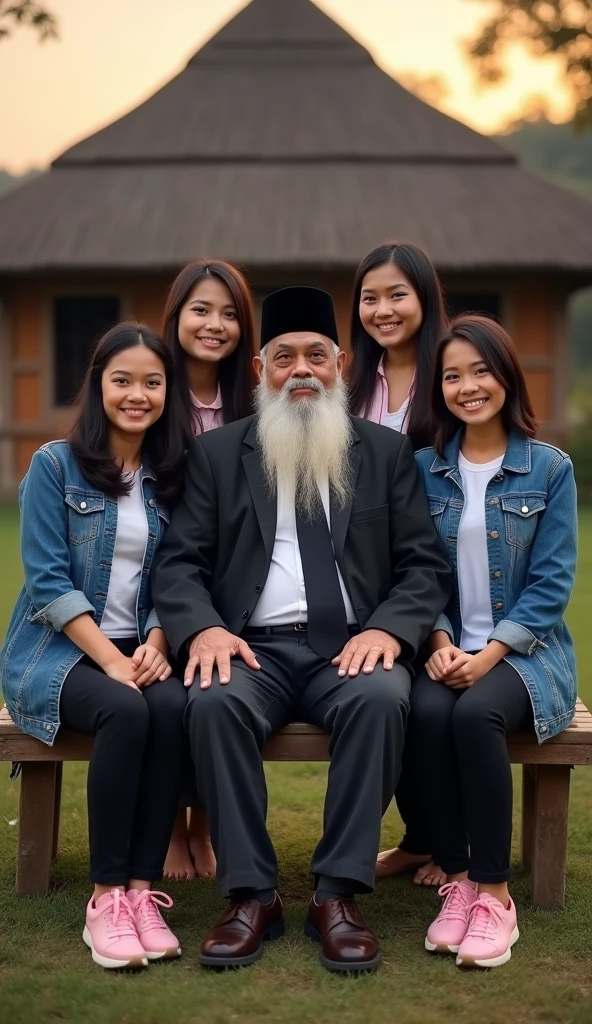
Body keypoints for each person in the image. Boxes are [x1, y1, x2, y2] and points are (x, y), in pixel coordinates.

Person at [153, 286, 451, 973]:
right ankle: (252, 897)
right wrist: (201, 630)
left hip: (349, 646)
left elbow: (423, 566)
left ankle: (337, 895)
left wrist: (387, 631)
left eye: (316, 355)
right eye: (283, 356)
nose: (301, 370)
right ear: (261, 370)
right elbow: (179, 564)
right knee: (214, 701)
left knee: (382, 699)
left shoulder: (383, 453)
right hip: (250, 649)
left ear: (341, 365)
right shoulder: (220, 454)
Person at [0, 323, 189, 971]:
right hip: (56, 654)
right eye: (122, 380)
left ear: (168, 391)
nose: (138, 394)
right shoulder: (55, 465)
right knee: (127, 709)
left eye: (152, 382)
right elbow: (49, 584)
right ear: (98, 385)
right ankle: (107, 897)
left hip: (140, 648)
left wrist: (160, 641)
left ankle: (141, 892)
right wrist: (110, 660)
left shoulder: (171, 476)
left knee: (170, 706)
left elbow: (178, 576)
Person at [408, 315, 577, 968]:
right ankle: (457, 877)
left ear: (506, 376)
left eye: (480, 371)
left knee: (475, 715)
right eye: (453, 375)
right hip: (448, 647)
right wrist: (442, 640)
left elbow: (550, 585)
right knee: (423, 710)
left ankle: (495, 895)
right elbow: (419, 571)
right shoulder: (426, 470)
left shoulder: (548, 469)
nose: (467, 386)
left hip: (525, 655)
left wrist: (488, 656)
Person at [349, 241, 448, 885]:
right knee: (389, 689)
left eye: (396, 295)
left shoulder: (452, 372)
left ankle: (447, 839)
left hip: (445, 564)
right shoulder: (350, 382)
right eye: (368, 298)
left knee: (435, 702)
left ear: (424, 299)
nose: (383, 310)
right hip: (371, 576)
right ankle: (419, 837)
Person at [161, 257, 257, 882]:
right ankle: (173, 828)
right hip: (157, 562)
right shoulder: (153, 386)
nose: (214, 325)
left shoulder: (251, 400)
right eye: (201, 310)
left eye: (228, 313)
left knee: (214, 682)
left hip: (228, 573)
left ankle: (205, 829)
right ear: (176, 318)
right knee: (169, 690)